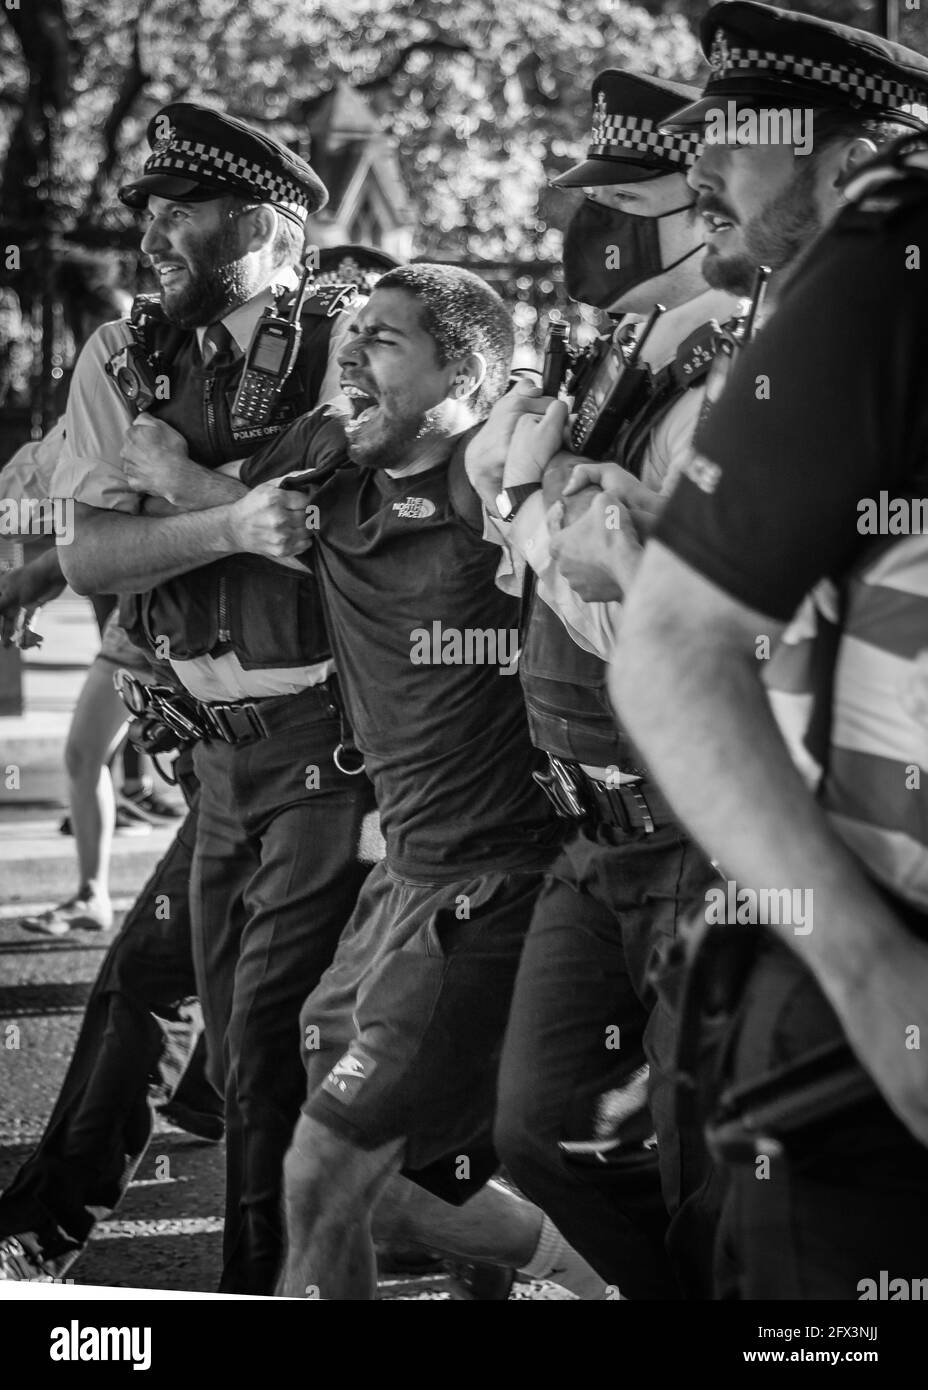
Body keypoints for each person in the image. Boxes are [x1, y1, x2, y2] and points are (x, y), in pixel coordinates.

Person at [114, 263, 612, 1302]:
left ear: (464, 371)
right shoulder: (337, 465)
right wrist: (169, 474)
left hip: (496, 881)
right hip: (403, 876)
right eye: (352, 338)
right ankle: (566, 1269)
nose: (349, 357)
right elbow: (268, 520)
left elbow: (585, 566)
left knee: (329, 1170)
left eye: (382, 342)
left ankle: (592, 1269)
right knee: (403, 1174)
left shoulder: (487, 473)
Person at [4, 103, 371, 1296]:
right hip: (217, 756)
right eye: (147, 212)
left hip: (342, 752)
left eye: (183, 211)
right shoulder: (121, 354)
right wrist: (218, 516)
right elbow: (96, 557)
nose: (154, 233)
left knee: (265, 1049)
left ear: (262, 221)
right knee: (160, 987)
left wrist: (174, 495)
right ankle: (48, 1230)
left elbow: (342, 548)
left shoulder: (363, 338)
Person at [598, 6, 928, 1299]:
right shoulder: (899, 253)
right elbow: (677, 649)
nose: (704, 178)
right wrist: (870, 964)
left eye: (735, 142)